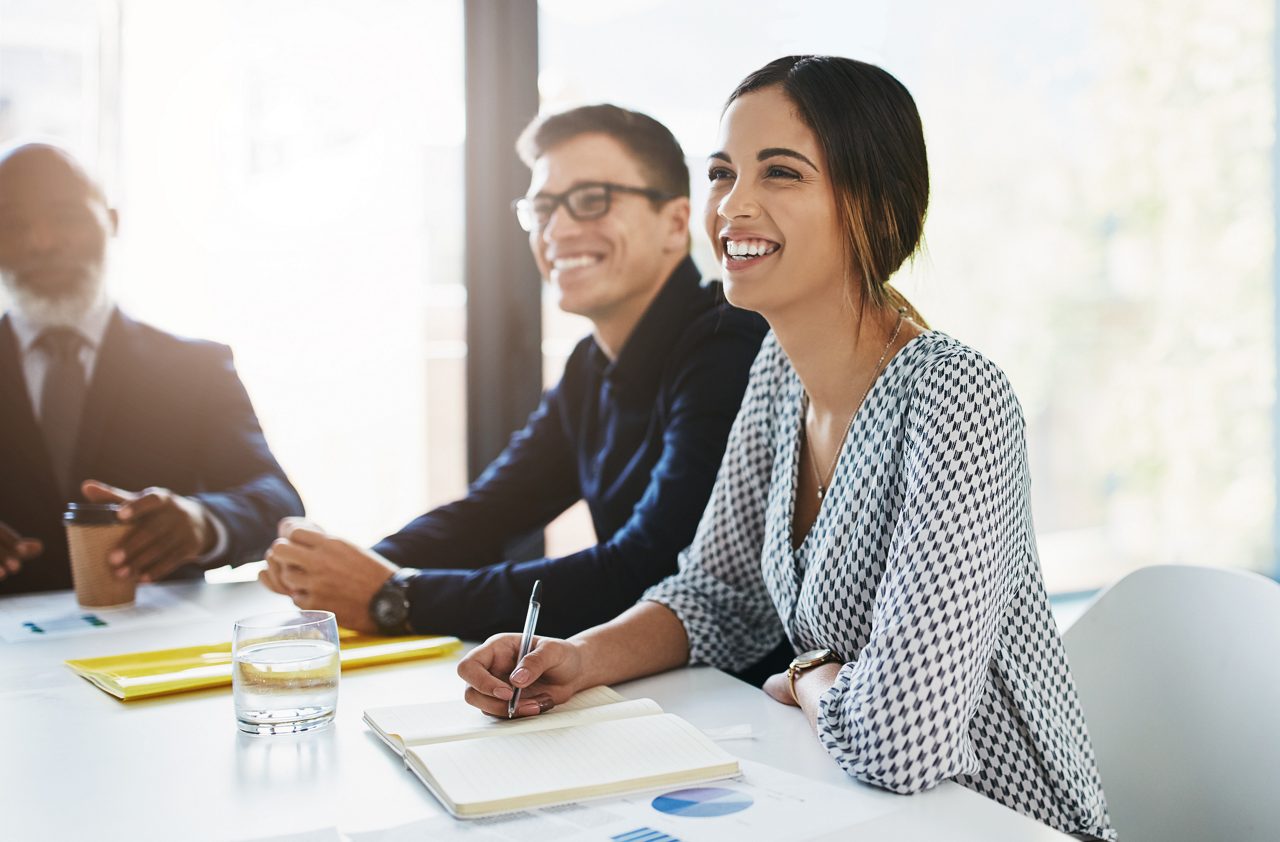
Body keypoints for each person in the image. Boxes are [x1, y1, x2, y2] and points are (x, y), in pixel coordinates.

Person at [455, 57, 1117, 840]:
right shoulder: (776, 372)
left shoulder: (956, 398)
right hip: (861, 812)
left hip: (997, 823)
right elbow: (718, 596)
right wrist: (580, 660)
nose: (734, 206)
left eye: (781, 174)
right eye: (723, 173)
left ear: (874, 206)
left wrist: (808, 677)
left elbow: (906, 744)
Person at [262, 105, 771, 649]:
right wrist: (345, 569)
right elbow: (491, 511)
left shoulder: (726, 345)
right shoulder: (591, 364)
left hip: (742, 697)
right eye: (544, 207)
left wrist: (398, 595)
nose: (560, 228)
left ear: (675, 224)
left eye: (591, 200)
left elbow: (646, 570)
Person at [0, 142, 304, 595]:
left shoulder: (194, 369)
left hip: (156, 648)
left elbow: (278, 500)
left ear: (113, 221)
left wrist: (203, 521)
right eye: (13, 223)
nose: (41, 242)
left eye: (65, 217)